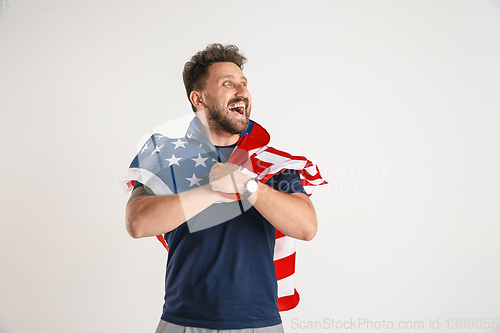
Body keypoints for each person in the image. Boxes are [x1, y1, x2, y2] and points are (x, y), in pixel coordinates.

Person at [122, 43, 326, 333]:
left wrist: (248, 185)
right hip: (182, 321)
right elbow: (138, 223)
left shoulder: (271, 162)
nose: (242, 91)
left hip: (259, 323)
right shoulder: (163, 154)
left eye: (243, 84)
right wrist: (213, 190)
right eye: (228, 84)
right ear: (199, 98)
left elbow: (307, 227)